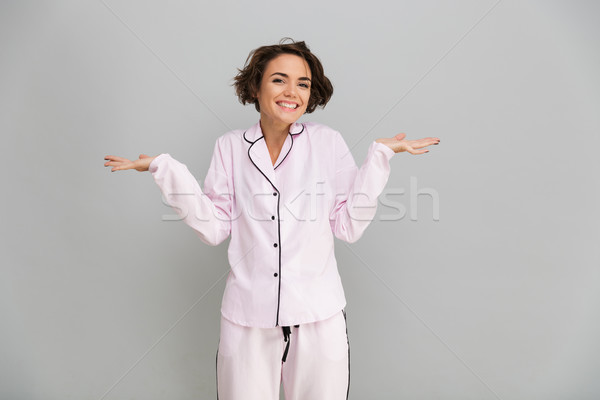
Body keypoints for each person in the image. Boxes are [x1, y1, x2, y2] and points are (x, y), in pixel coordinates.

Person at [104, 39, 439, 400]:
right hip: (247, 318)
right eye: (280, 80)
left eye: (303, 83)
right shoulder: (230, 147)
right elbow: (214, 227)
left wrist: (379, 160)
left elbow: (348, 226)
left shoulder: (327, 143)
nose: (292, 92)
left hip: (319, 316)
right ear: (256, 86)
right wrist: (165, 170)